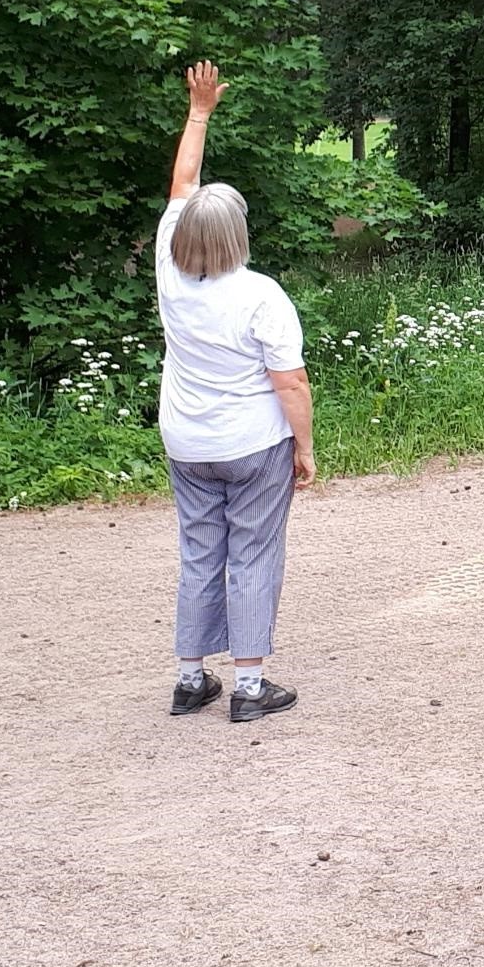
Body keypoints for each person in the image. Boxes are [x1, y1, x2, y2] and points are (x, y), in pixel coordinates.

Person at [156, 62, 316, 724]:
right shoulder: (260, 294)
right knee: (251, 553)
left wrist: (199, 111)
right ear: (238, 237)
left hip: (187, 442)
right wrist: (303, 448)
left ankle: (192, 679)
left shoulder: (168, 265)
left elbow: (181, 184)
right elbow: (291, 382)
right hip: (253, 446)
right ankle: (249, 687)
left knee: (200, 551)